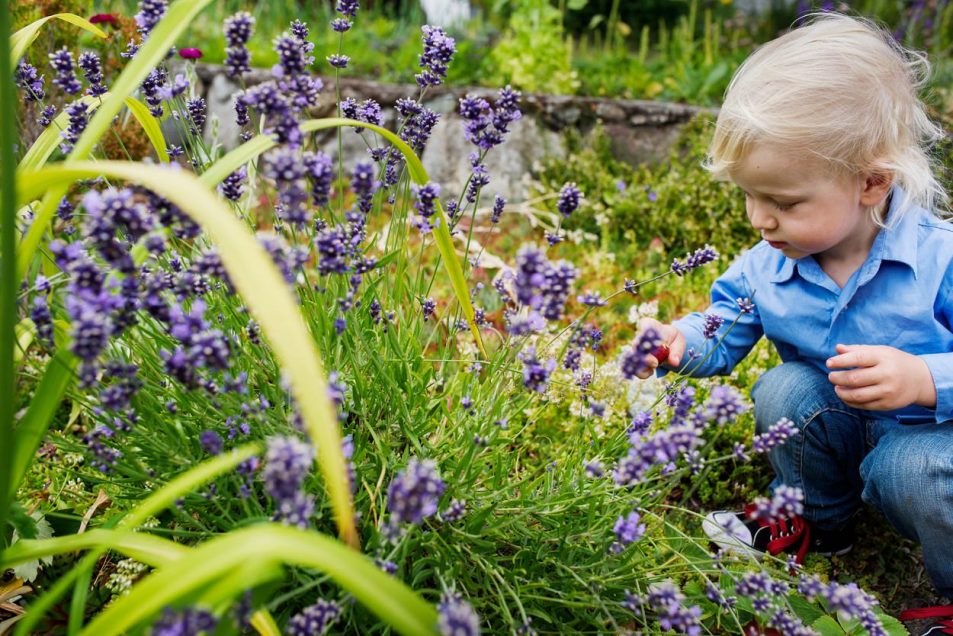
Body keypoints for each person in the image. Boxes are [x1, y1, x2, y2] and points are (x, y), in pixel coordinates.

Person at [633, 11, 953, 618]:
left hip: (932, 445)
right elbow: (721, 327)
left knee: (910, 467)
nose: (759, 219)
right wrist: (677, 341)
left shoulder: (939, 259)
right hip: (842, 425)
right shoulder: (767, 265)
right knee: (785, 389)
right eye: (749, 196)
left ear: (871, 182)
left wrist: (922, 379)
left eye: (783, 201)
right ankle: (816, 523)